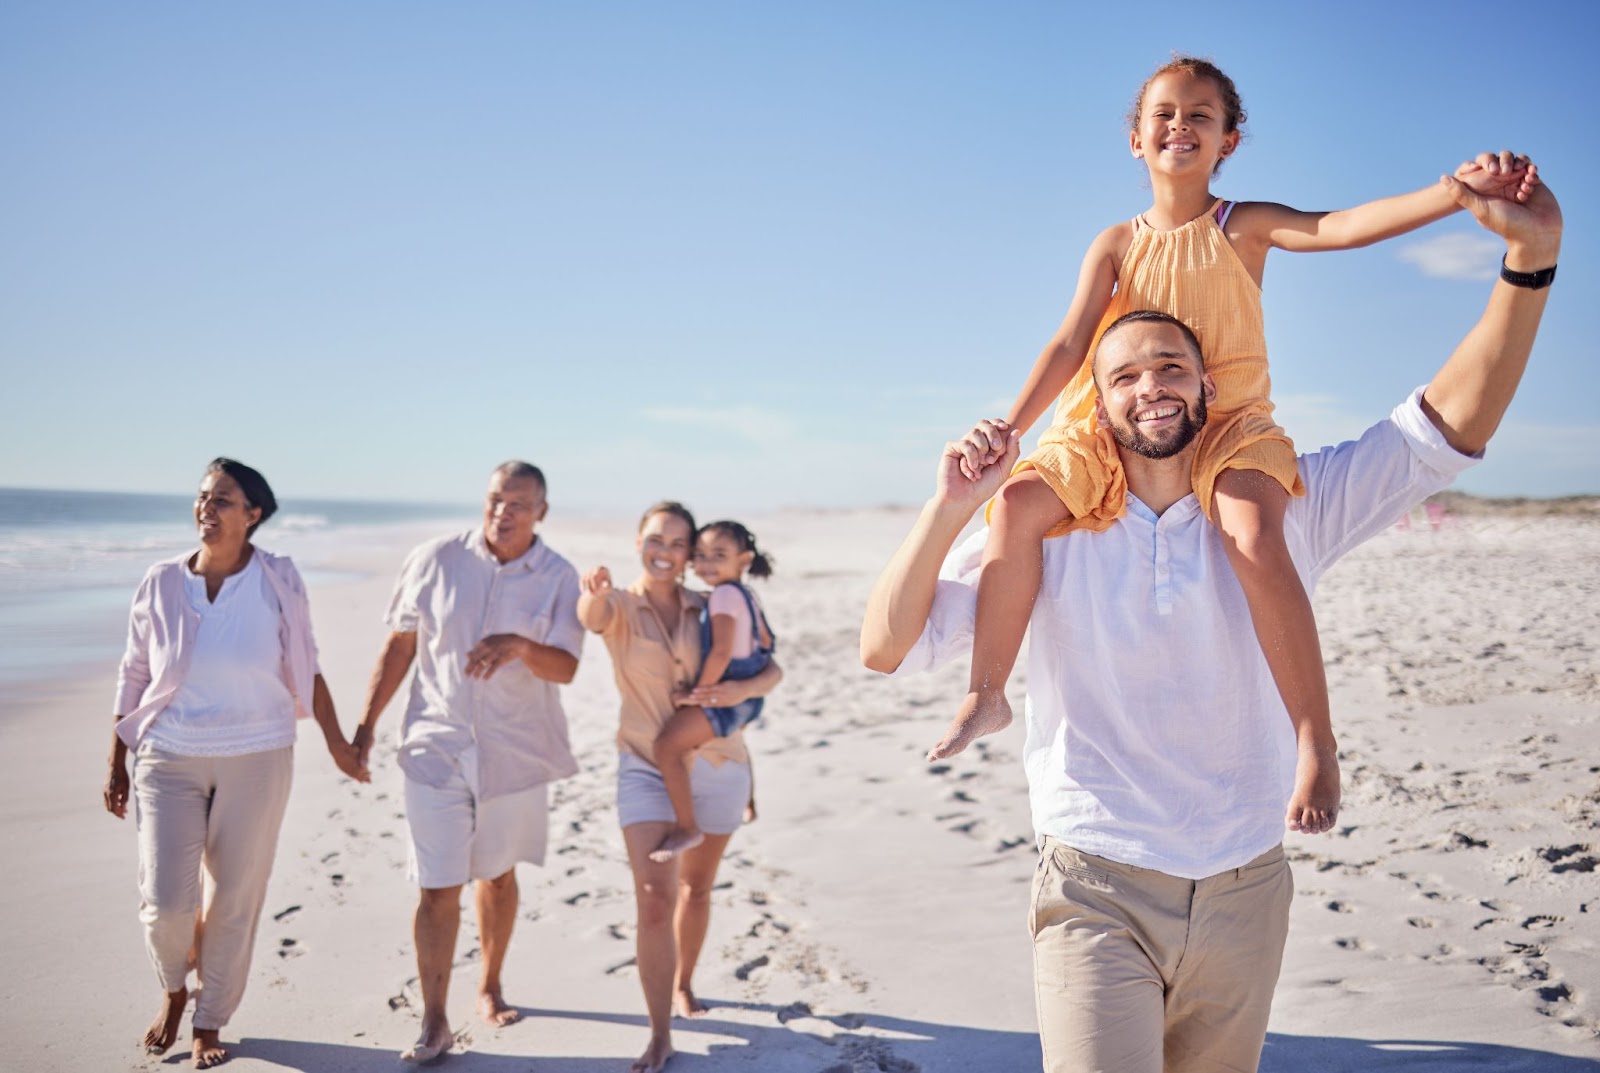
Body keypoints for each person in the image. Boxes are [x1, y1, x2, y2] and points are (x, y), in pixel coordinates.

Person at [862, 159, 1558, 1072]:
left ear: (1205, 384)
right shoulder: (1046, 526)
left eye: (1171, 367)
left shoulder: (1281, 503)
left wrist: (1530, 267)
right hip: (1094, 881)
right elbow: (885, 647)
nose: (1150, 386)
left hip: (1246, 885)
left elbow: (1444, 427)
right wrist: (949, 506)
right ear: (1097, 403)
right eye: (1124, 376)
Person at [953, 56, 1539, 835]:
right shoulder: (1115, 243)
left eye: (1201, 115)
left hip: (1227, 424)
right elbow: (1068, 342)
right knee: (1017, 505)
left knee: (1257, 534)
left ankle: (1313, 738)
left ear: (1228, 140)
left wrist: (1451, 194)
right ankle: (987, 689)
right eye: (1164, 113)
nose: (1180, 126)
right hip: (1108, 421)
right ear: (1136, 138)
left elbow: (1336, 227)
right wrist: (1015, 425)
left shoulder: (1243, 225)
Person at [103, 458, 367, 1069]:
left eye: (223, 499)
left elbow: (308, 664)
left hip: (259, 755)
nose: (207, 507)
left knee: (235, 898)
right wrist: (116, 758)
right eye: (202, 496)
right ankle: (174, 988)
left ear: (253, 516)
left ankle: (209, 1016)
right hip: (167, 756)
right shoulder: (162, 580)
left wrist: (337, 744)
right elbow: (134, 671)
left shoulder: (278, 580)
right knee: (166, 902)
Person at [354, 461, 583, 1064]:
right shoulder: (435, 559)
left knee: (500, 874)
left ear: (541, 512)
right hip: (436, 746)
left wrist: (520, 646)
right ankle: (434, 1019)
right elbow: (399, 646)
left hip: (515, 749)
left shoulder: (559, 576)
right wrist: (365, 726)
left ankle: (490, 982)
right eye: (495, 500)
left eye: (518, 504)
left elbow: (567, 667)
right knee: (436, 887)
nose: (503, 512)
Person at [578, 502, 783, 1073]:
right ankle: (660, 1034)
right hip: (646, 764)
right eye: (654, 538)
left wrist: (747, 696)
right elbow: (589, 616)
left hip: (720, 765)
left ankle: (685, 983)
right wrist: (593, 591)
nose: (665, 550)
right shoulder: (618, 605)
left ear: (689, 550)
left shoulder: (709, 599)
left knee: (696, 889)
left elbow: (769, 670)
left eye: (676, 541)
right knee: (653, 897)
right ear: (638, 541)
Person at [649, 519, 776, 863]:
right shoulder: (746, 594)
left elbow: (720, 651)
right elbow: (766, 642)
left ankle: (687, 826)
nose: (707, 563)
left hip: (724, 694)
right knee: (737, 740)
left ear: (744, 559)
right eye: (701, 555)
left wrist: (698, 693)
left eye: (719, 554)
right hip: (749, 696)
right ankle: (748, 800)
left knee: (666, 746)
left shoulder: (722, 596)